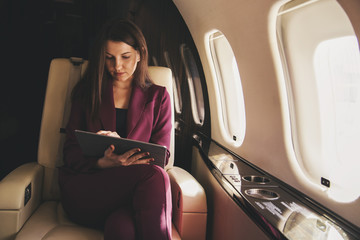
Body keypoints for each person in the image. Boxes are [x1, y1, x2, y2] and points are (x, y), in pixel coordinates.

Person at [58, 18, 173, 240]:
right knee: (155, 176)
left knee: (122, 230)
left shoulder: (158, 98)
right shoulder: (86, 93)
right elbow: (70, 152)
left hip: (130, 196)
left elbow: (161, 155)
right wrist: (104, 162)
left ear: (139, 54)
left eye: (125, 57)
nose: (117, 66)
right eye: (109, 58)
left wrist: (125, 155)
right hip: (88, 188)